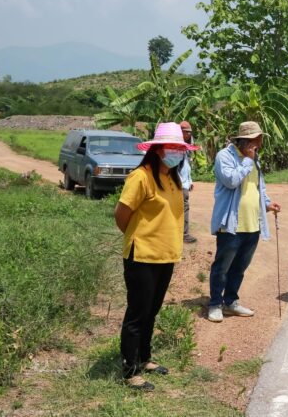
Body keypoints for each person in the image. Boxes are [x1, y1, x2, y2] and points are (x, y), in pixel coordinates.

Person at [113, 122, 198, 390]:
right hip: (142, 256)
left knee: (152, 310)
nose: (177, 152)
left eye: (180, 148)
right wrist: (139, 236)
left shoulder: (172, 177)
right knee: (137, 313)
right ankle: (129, 370)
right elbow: (121, 215)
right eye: (172, 147)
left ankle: (145, 357)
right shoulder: (141, 177)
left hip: (165, 256)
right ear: (158, 149)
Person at [207, 121, 281, 322]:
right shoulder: (225, 156)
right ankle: (215, 304)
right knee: (222, 267)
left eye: (259, 138)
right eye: (256, 139)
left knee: (240, 267)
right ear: (243, 140)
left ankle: (230, 302)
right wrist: (248, 160)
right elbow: (231, 181)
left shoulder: (254, 158)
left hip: (252, 224)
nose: (259, 142)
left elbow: (258, 187)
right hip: (231, 224)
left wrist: (267, 204)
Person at [178, 120, 198, 243]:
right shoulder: (177, 147)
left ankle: (182, 233)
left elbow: (186, 166)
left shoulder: (185, 147)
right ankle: (183, 234)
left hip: (184, 184)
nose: (190, 135)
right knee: (182, 209)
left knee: (183, 208)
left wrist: (190, 181)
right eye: (187, 132)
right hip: (179, 185)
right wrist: (181, 183)